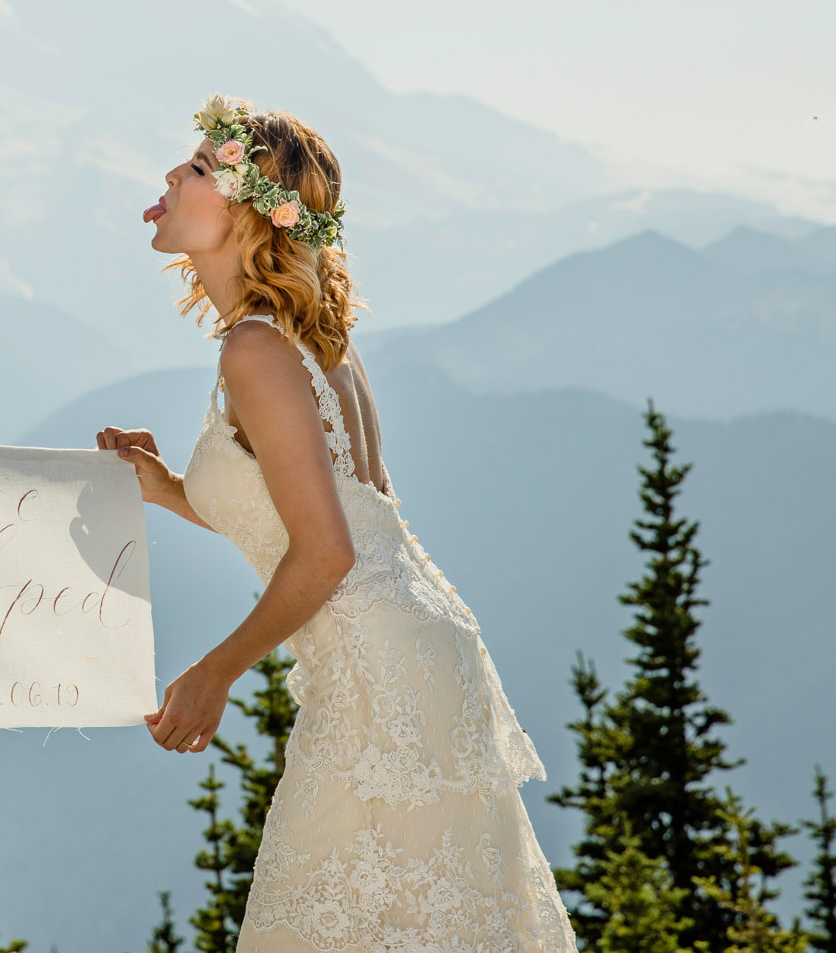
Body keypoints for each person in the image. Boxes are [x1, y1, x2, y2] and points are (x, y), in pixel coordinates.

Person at [97, 95, 575, 951]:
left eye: (201, 168)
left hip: (375, 672)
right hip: (417, 651)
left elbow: (325, 551)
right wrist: (170, 487)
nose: (173, 174)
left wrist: (214, 672)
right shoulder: (307, 336)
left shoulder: (255, 348)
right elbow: (343, 510)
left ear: (250, 213)